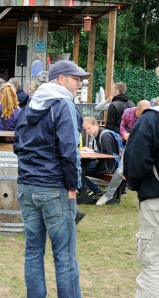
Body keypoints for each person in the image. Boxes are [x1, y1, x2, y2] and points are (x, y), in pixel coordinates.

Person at [14, 60, 91, 298]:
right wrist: (72, 187)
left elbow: (18, 145)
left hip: (27, 186)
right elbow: (70, 151)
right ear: (60, 80)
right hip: (53, 188)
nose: (79, 83)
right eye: (75, 78)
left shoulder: (30, 104)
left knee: (33, 253)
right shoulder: (63, 104)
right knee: (65, 256)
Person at [123, 105, 159, 298]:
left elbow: (135, 163)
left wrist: (141, 186)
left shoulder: (152, 119)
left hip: (155, 201)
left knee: (154, 264)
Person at [96, 100, 151, 205]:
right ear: (137, 110)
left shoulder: (151, 117)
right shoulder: (128, 112)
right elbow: (122, 126)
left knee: (146, 171)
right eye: (143, 112)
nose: (145, 115)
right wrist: (124, 133)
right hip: (130, 145)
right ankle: (108, 195)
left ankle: (146, 197)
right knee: (120, 171)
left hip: (145, 146)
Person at [81, 116, 119, 197]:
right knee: (77, 169)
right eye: (85, 129)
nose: (87, 131)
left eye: (89, 128)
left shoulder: (104, 136)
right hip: (104, 165)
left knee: (78, 170)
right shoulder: (98, 135)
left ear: (95, 124)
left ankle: (92, 189)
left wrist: (92, 151)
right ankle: (89, 189)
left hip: (108, 167)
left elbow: (108, 155)